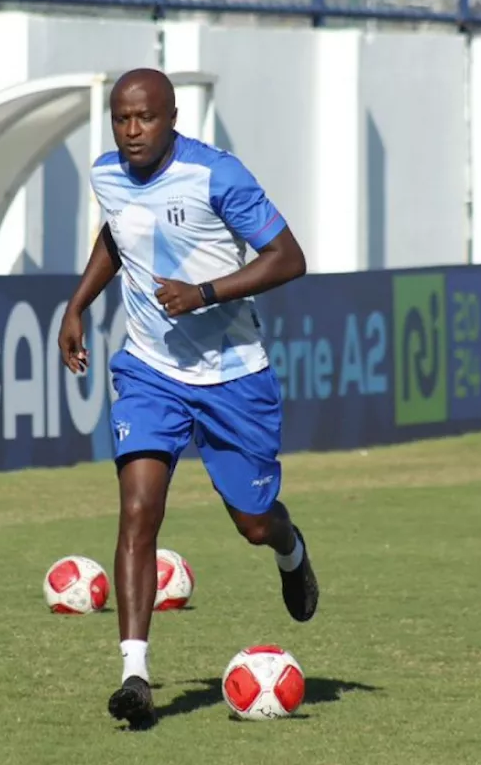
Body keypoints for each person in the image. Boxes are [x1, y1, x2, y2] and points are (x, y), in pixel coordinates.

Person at [59, 68, 318, 729]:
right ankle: (135, 675)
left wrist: (205, 293)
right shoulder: (107, 173)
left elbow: (289, 259)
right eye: (121, 119)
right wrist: (77, 304)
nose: (131, 131)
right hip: (150, 371)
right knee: (139, 509)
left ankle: (290, 550)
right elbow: (118, 235)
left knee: (253, 522)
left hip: (234, 376)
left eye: (145, 118)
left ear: (172, 117)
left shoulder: (218, 176)